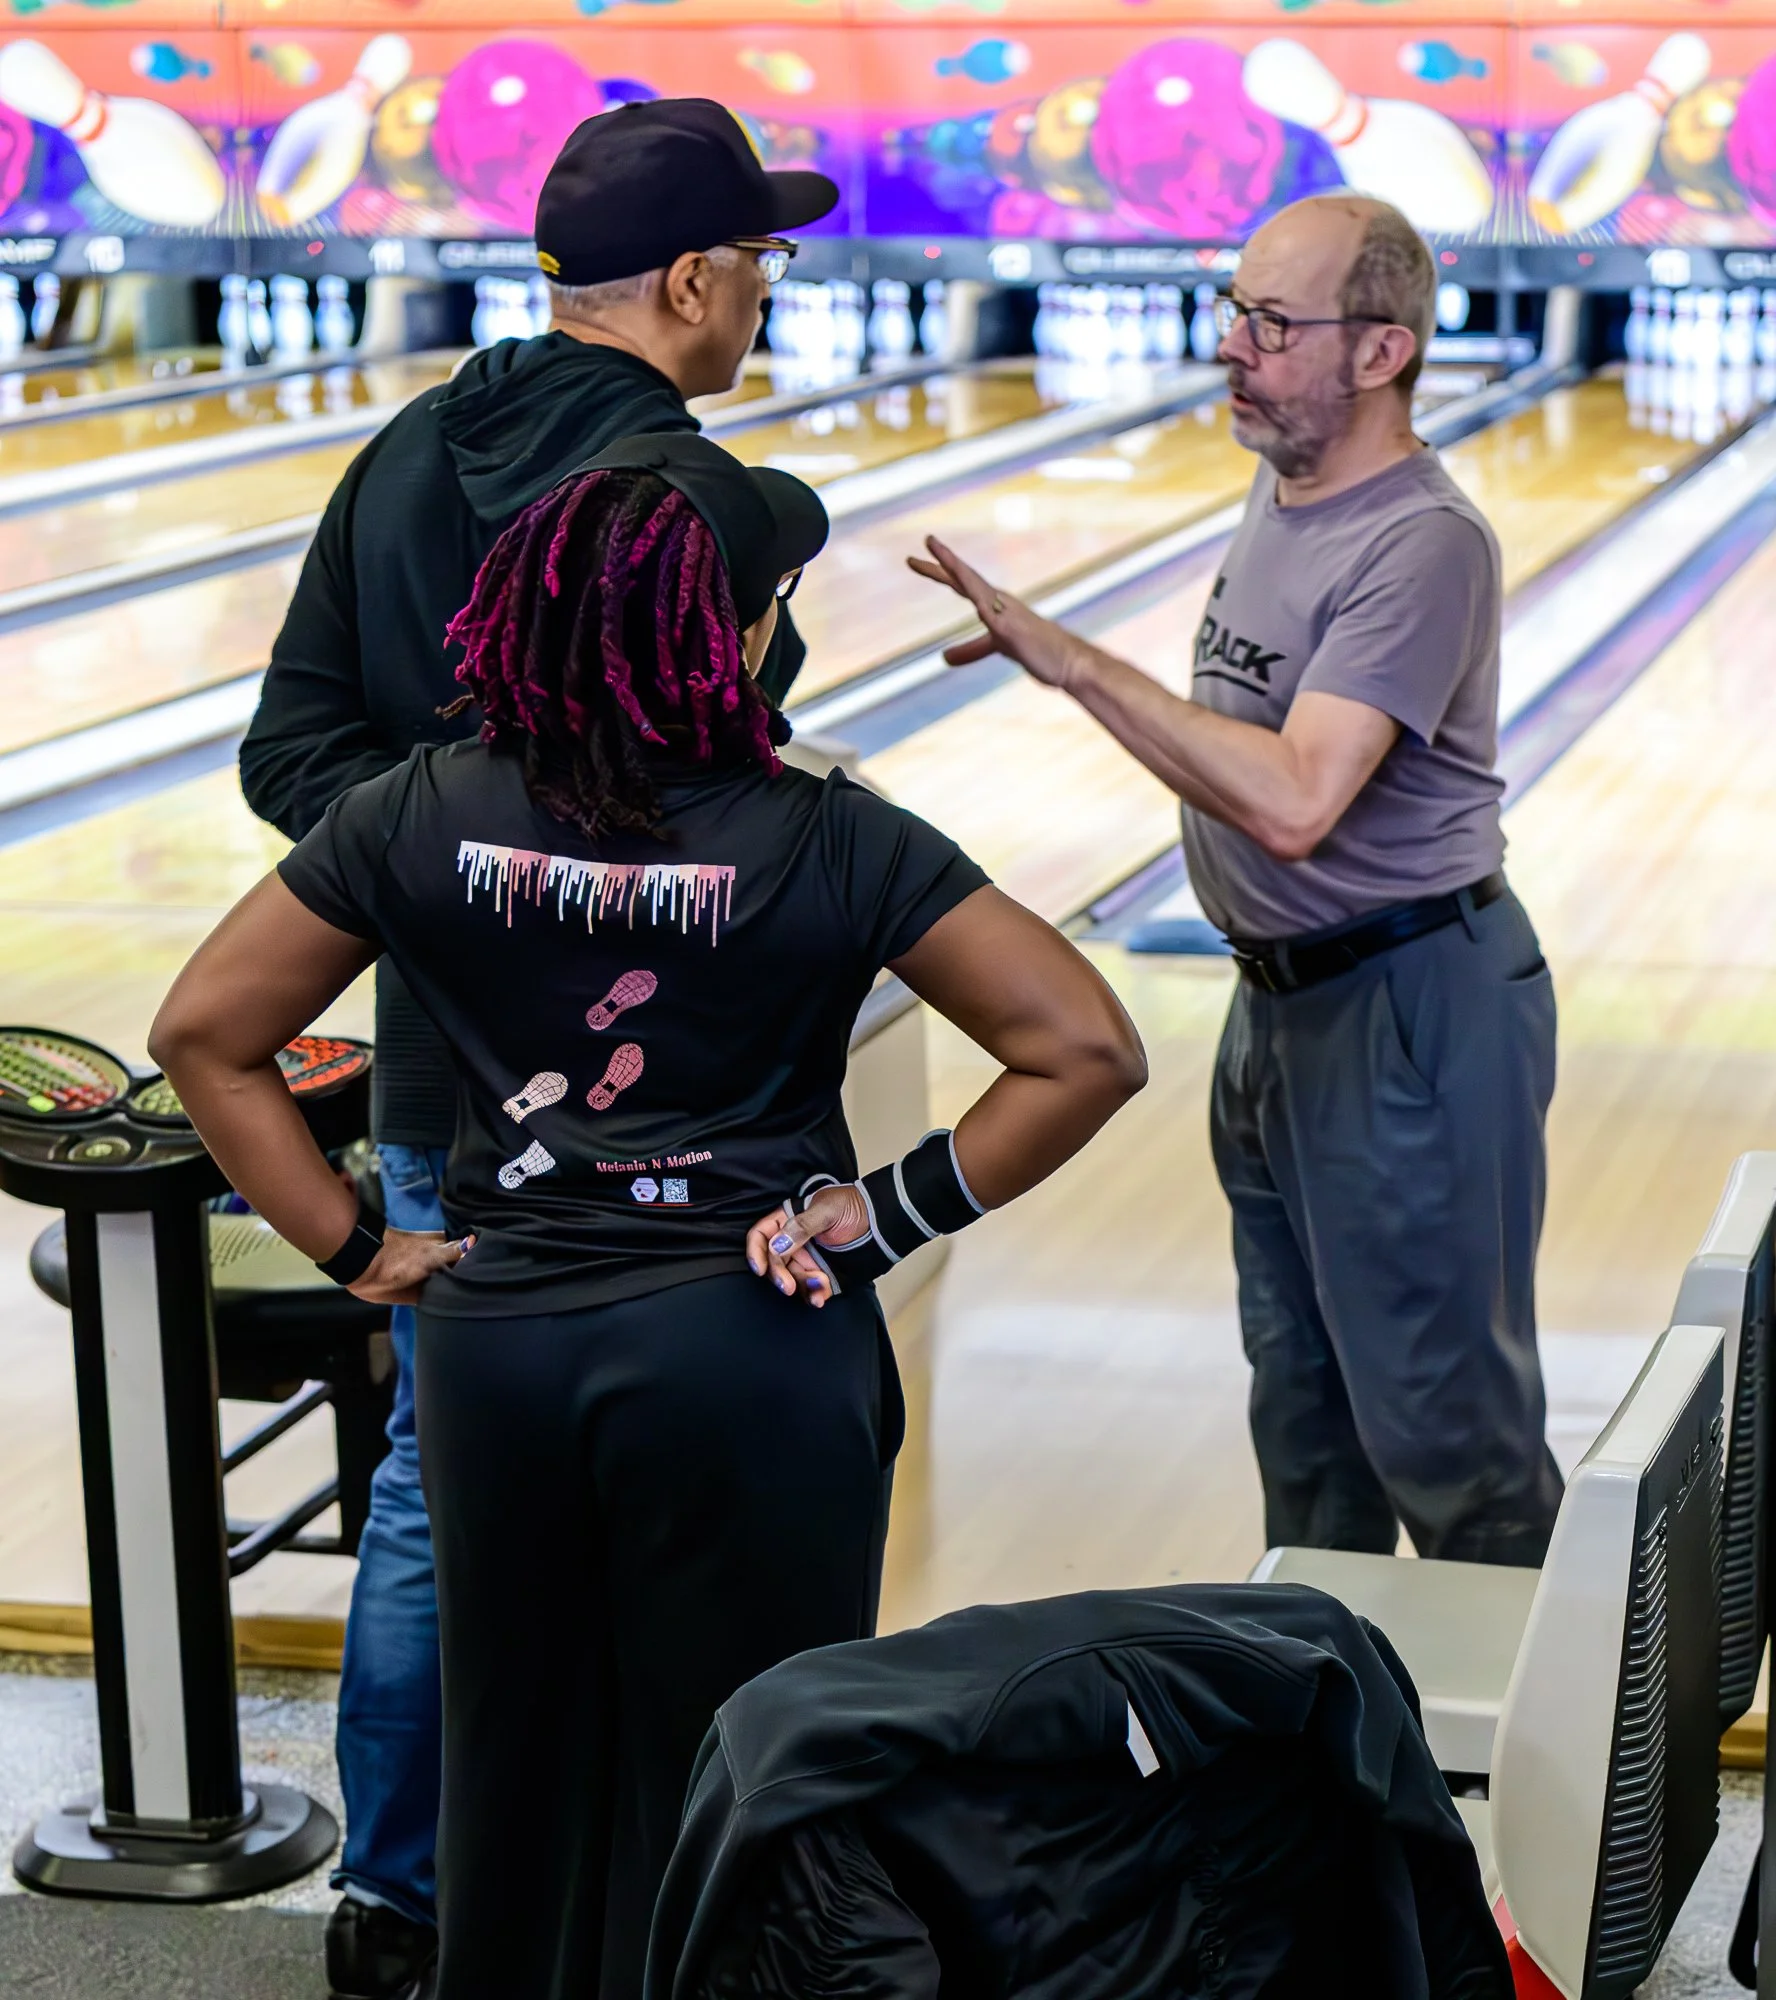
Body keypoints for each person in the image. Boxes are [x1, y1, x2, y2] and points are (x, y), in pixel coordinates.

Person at [151, 435, 1147, 1999]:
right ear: (737, 631)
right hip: (751, 1346)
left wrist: (356, 1248)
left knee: (517, 1760)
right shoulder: (832, 834)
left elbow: (206, 1033)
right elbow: (1084, 1048)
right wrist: (875, 1220)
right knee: (757, 1771)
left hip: (500, 1349)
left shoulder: (417, 807)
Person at [237, 99, 835, 1997]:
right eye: (759, 259)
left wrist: (451, 874)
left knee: (434, 1479)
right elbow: (726, 808)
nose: (767, 290)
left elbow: (288, 756)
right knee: (687, 1481)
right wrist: (547, 866)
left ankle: (399, 1910)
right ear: (687, 278)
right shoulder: (715, 507)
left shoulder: (403, 452)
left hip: (442, 1079)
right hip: (675, 1099)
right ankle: (672, 1897)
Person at [909, 194, 1563, 1569]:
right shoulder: (1290, 489)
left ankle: (1537, 1772)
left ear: (1381, 355)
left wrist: (1069, 657)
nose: (1234, 347)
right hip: (1281, 1011)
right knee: (1308, 1427)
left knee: (1453, 1446)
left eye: (1274, 322)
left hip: (1409, 1014)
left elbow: (1295, 801)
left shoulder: (1422, 542)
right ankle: (1335, 1765)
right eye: (1234, 310)